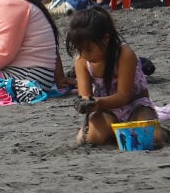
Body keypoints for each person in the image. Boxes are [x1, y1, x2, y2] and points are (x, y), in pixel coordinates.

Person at [66, 8, 164, 147]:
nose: (85, 54)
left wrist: (96, 102)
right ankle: (114, 132)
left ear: (106, 38)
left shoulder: (124, 55)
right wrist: (84, 104)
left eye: (88, 49)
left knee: (152, 137)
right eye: (79, 49)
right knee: (88, 138)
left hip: (135, 105)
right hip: (107, 111)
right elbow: (85, 95)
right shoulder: (81, 61)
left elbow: (123, 96)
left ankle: (158, 131)